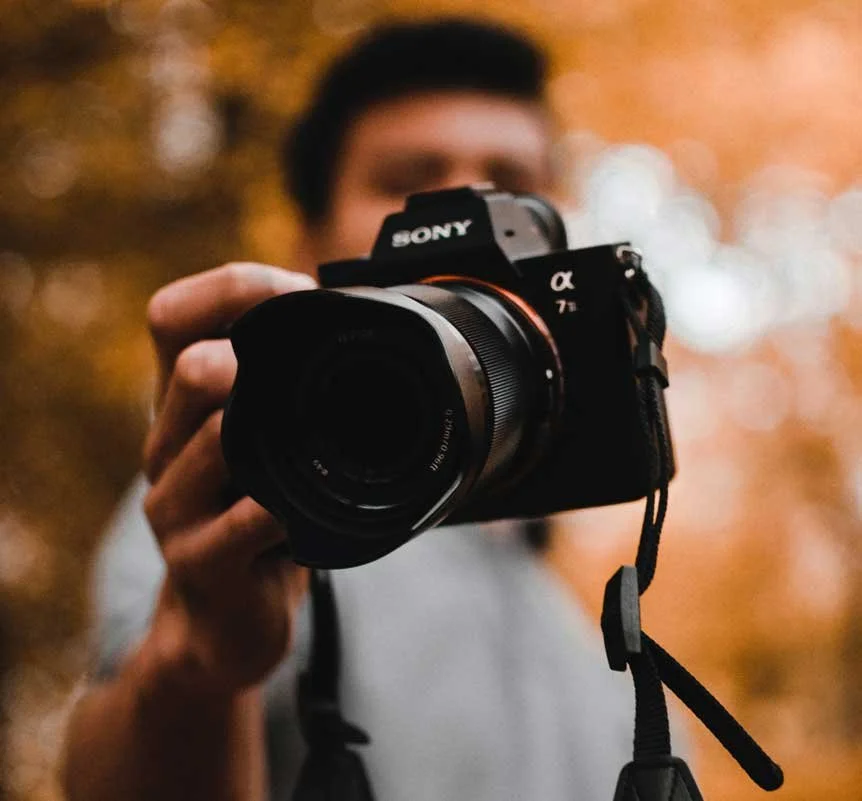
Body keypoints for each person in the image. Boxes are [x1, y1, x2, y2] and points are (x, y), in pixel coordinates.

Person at [62, 18, 637, 801]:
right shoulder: (243, 510)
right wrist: (191, 668)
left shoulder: (595, 635)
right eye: (408, 178)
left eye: (510, 183)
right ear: (309, 248)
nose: (463, 207)